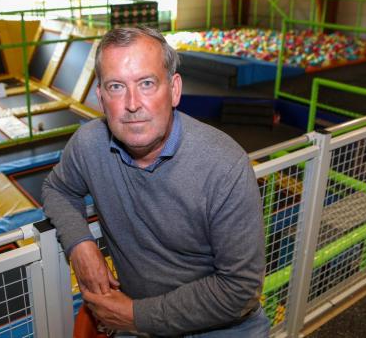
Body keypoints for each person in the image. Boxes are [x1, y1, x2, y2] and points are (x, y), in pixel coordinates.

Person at [42, 26, 269, 337]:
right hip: (135, 318)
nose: (132, 104)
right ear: (100, 97)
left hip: (219, 328)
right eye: (116, 87)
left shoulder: (224, 166)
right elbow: (58, 189)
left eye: (146, 83)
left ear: (174, 90)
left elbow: (240, 289)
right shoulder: (89, 144)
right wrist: (81, 246)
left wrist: (136, 316)